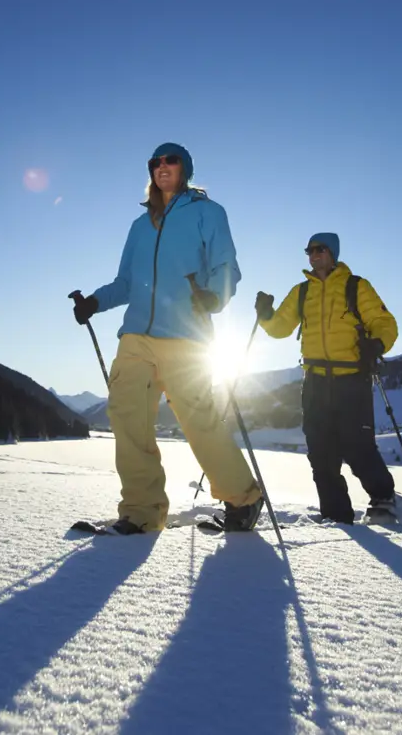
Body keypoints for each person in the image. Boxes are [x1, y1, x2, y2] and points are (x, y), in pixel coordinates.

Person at [71, 142, 262, 534]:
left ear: (185, 169)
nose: (162, 166)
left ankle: (244, 498)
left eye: (170, 160)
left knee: (198, 421)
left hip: (186, 334)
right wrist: (94, 301)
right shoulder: (140, 226)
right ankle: (141, 512)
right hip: (137, 336)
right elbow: (126, 283)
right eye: (155, 162)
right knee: (127, 418)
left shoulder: (207, 213)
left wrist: (214, 296)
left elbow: (227, 267)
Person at [255, 232, 398, 524]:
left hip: (351, 380)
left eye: (320, 249)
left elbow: (385, 323)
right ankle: (335, 514)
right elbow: (281, 328)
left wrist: (377, 344)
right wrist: (265, 314)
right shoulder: (302, 292)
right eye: (310, 250)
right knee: (320, 450)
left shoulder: (356, 286)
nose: (314, 254)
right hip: (315, 380)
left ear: (333, 252)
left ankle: (383, 496)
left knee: (357, 446)